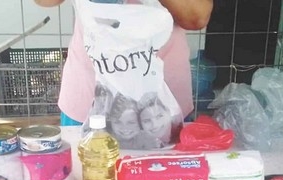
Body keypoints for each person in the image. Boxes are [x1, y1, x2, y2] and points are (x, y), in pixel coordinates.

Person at [33, 0, 213, 126]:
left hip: (162, 101)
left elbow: (196, 16)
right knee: (91, 175)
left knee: (164, 176)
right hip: (90, 94)